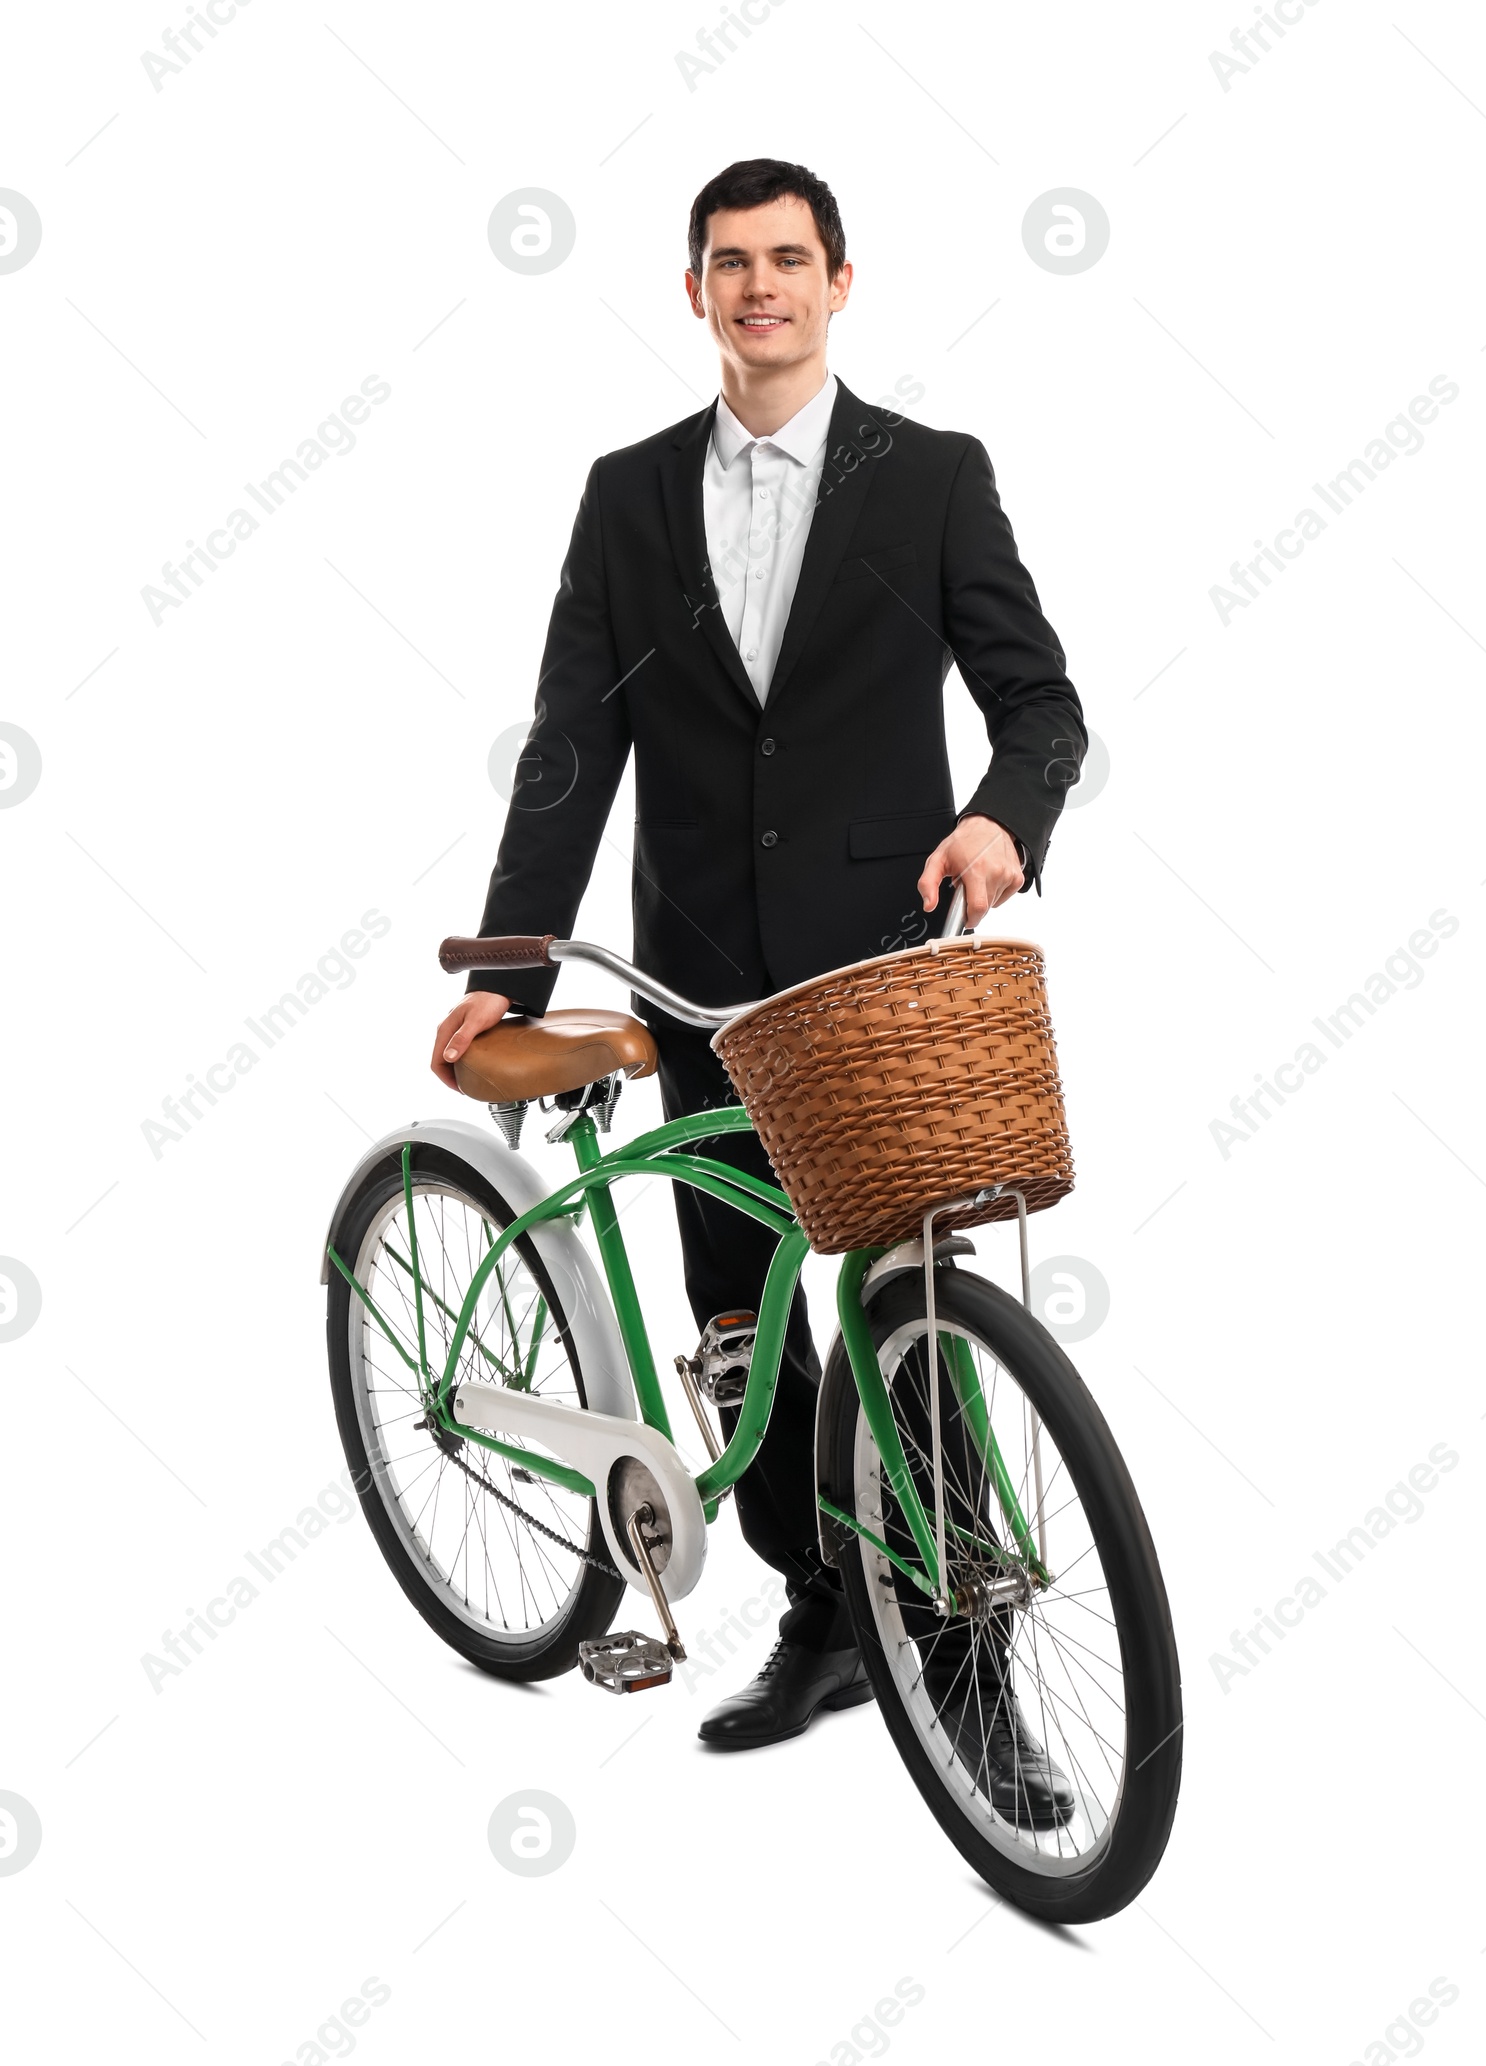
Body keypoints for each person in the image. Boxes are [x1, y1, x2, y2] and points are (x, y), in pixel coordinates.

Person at [431, 157, 1085, 1754]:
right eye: (731, 262)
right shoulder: (628, 492)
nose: (761, 286)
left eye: (789, 259)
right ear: (695, 292)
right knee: (739, 1317)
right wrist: (510, 976)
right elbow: (572, 748)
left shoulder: (933, 476)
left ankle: (974, 1665)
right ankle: (825, 1612)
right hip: (696, 974)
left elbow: (1041, 703)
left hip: (876, 973)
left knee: (906, 1310)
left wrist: (1002, 820)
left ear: (840, 282)